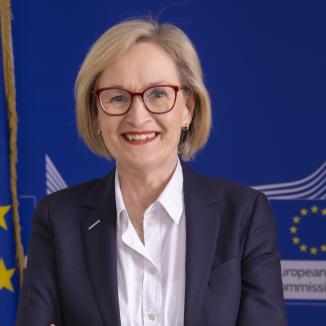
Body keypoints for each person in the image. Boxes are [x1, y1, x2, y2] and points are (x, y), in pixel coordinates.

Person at [16, 18, 287, 326]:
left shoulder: (245, 215)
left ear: (188, 108)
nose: (138, 116)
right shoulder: (57, 219)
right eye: (117, 97)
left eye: (158, 94)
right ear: (96, 114)